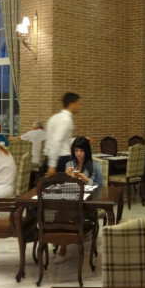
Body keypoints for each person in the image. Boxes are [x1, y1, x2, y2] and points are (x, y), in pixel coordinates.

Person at [54, 135, 102, 264]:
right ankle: (60, 238)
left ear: (87, 151)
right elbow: (64, 186)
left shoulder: (95, 165)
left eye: (81, 150)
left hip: (88, 202)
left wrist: (85, 179)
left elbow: (101, 186)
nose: (78, 154)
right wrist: (68, 177)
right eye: (76, 150)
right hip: (71, 199)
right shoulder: (69, 164)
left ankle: (62, 245)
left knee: (64, 213)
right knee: (59, 210)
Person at [45, 92, 81, 176]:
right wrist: (52, 165)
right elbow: (56, 141)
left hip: (51, 157)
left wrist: (80, 140)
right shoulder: (66, 120)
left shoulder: (54, 117)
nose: (79, 106)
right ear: (72, 104)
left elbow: (62, 140)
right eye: (78, 103)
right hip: (60, 160)